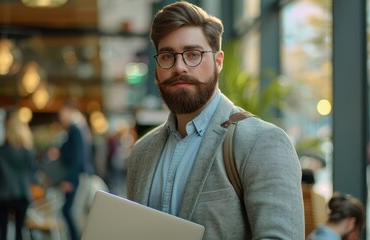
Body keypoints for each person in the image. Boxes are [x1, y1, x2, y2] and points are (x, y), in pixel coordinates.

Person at [126, 1, 304, 239]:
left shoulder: (261, 142)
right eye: (168, 56)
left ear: (218, 61)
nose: (179, 67)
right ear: (157, 67)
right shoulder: (142, 153)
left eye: (193, 54)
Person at [0, 110, 38, 240]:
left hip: (2, 195)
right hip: (22, 194)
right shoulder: (29, 152)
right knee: (19, 232)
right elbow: (33, 173)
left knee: (3, 233)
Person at [56, 100, 87, 240]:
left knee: (68, 211)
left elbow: (78, 159)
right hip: (73, 177)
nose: (61, 116)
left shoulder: (75, 129)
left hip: (74, 178)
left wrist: (70, 180)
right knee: (68, 211)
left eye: (62, 112)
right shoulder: (76, 129)